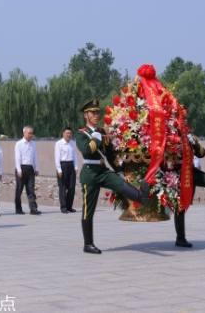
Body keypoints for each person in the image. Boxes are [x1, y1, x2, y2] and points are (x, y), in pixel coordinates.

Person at [77, 99, 150, 254]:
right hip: (89, 173)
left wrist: (119, 170)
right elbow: (86, 150)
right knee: (87, 210)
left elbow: (110, 154)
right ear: (86, 115)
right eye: (93, 112)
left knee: (120, 183)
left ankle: (141, 197)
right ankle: (88, 244)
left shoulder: (102, 132)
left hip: (103, 171)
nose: (97, 115)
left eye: (98, 112)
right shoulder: (81, 133)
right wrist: (96, 137)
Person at [14, 126, 41, 215]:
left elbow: (35, 157)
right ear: (24, 133)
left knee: (31, 189)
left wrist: (36, 168)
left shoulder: (33, 144)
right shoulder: (19, 144)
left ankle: (33, 209)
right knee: (19, 190)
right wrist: (19, 170)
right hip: (21, 168)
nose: (30, 135)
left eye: (31, 133)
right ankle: (18, 209)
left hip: (30, 169)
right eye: (29, 133)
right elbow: (17, 158)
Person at [55, 127, 79, 214]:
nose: (69, 135)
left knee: (72, 187)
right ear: (63, 134)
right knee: (62, 187)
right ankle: (63, 207)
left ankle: (69, 206)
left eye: (70, 133)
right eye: (67, 133)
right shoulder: (59, 143)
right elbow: (57, 157)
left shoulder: (73, 143)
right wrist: (59, 169)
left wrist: (76, 167)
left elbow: (75, 156)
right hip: (62, 166)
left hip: (71, 166)